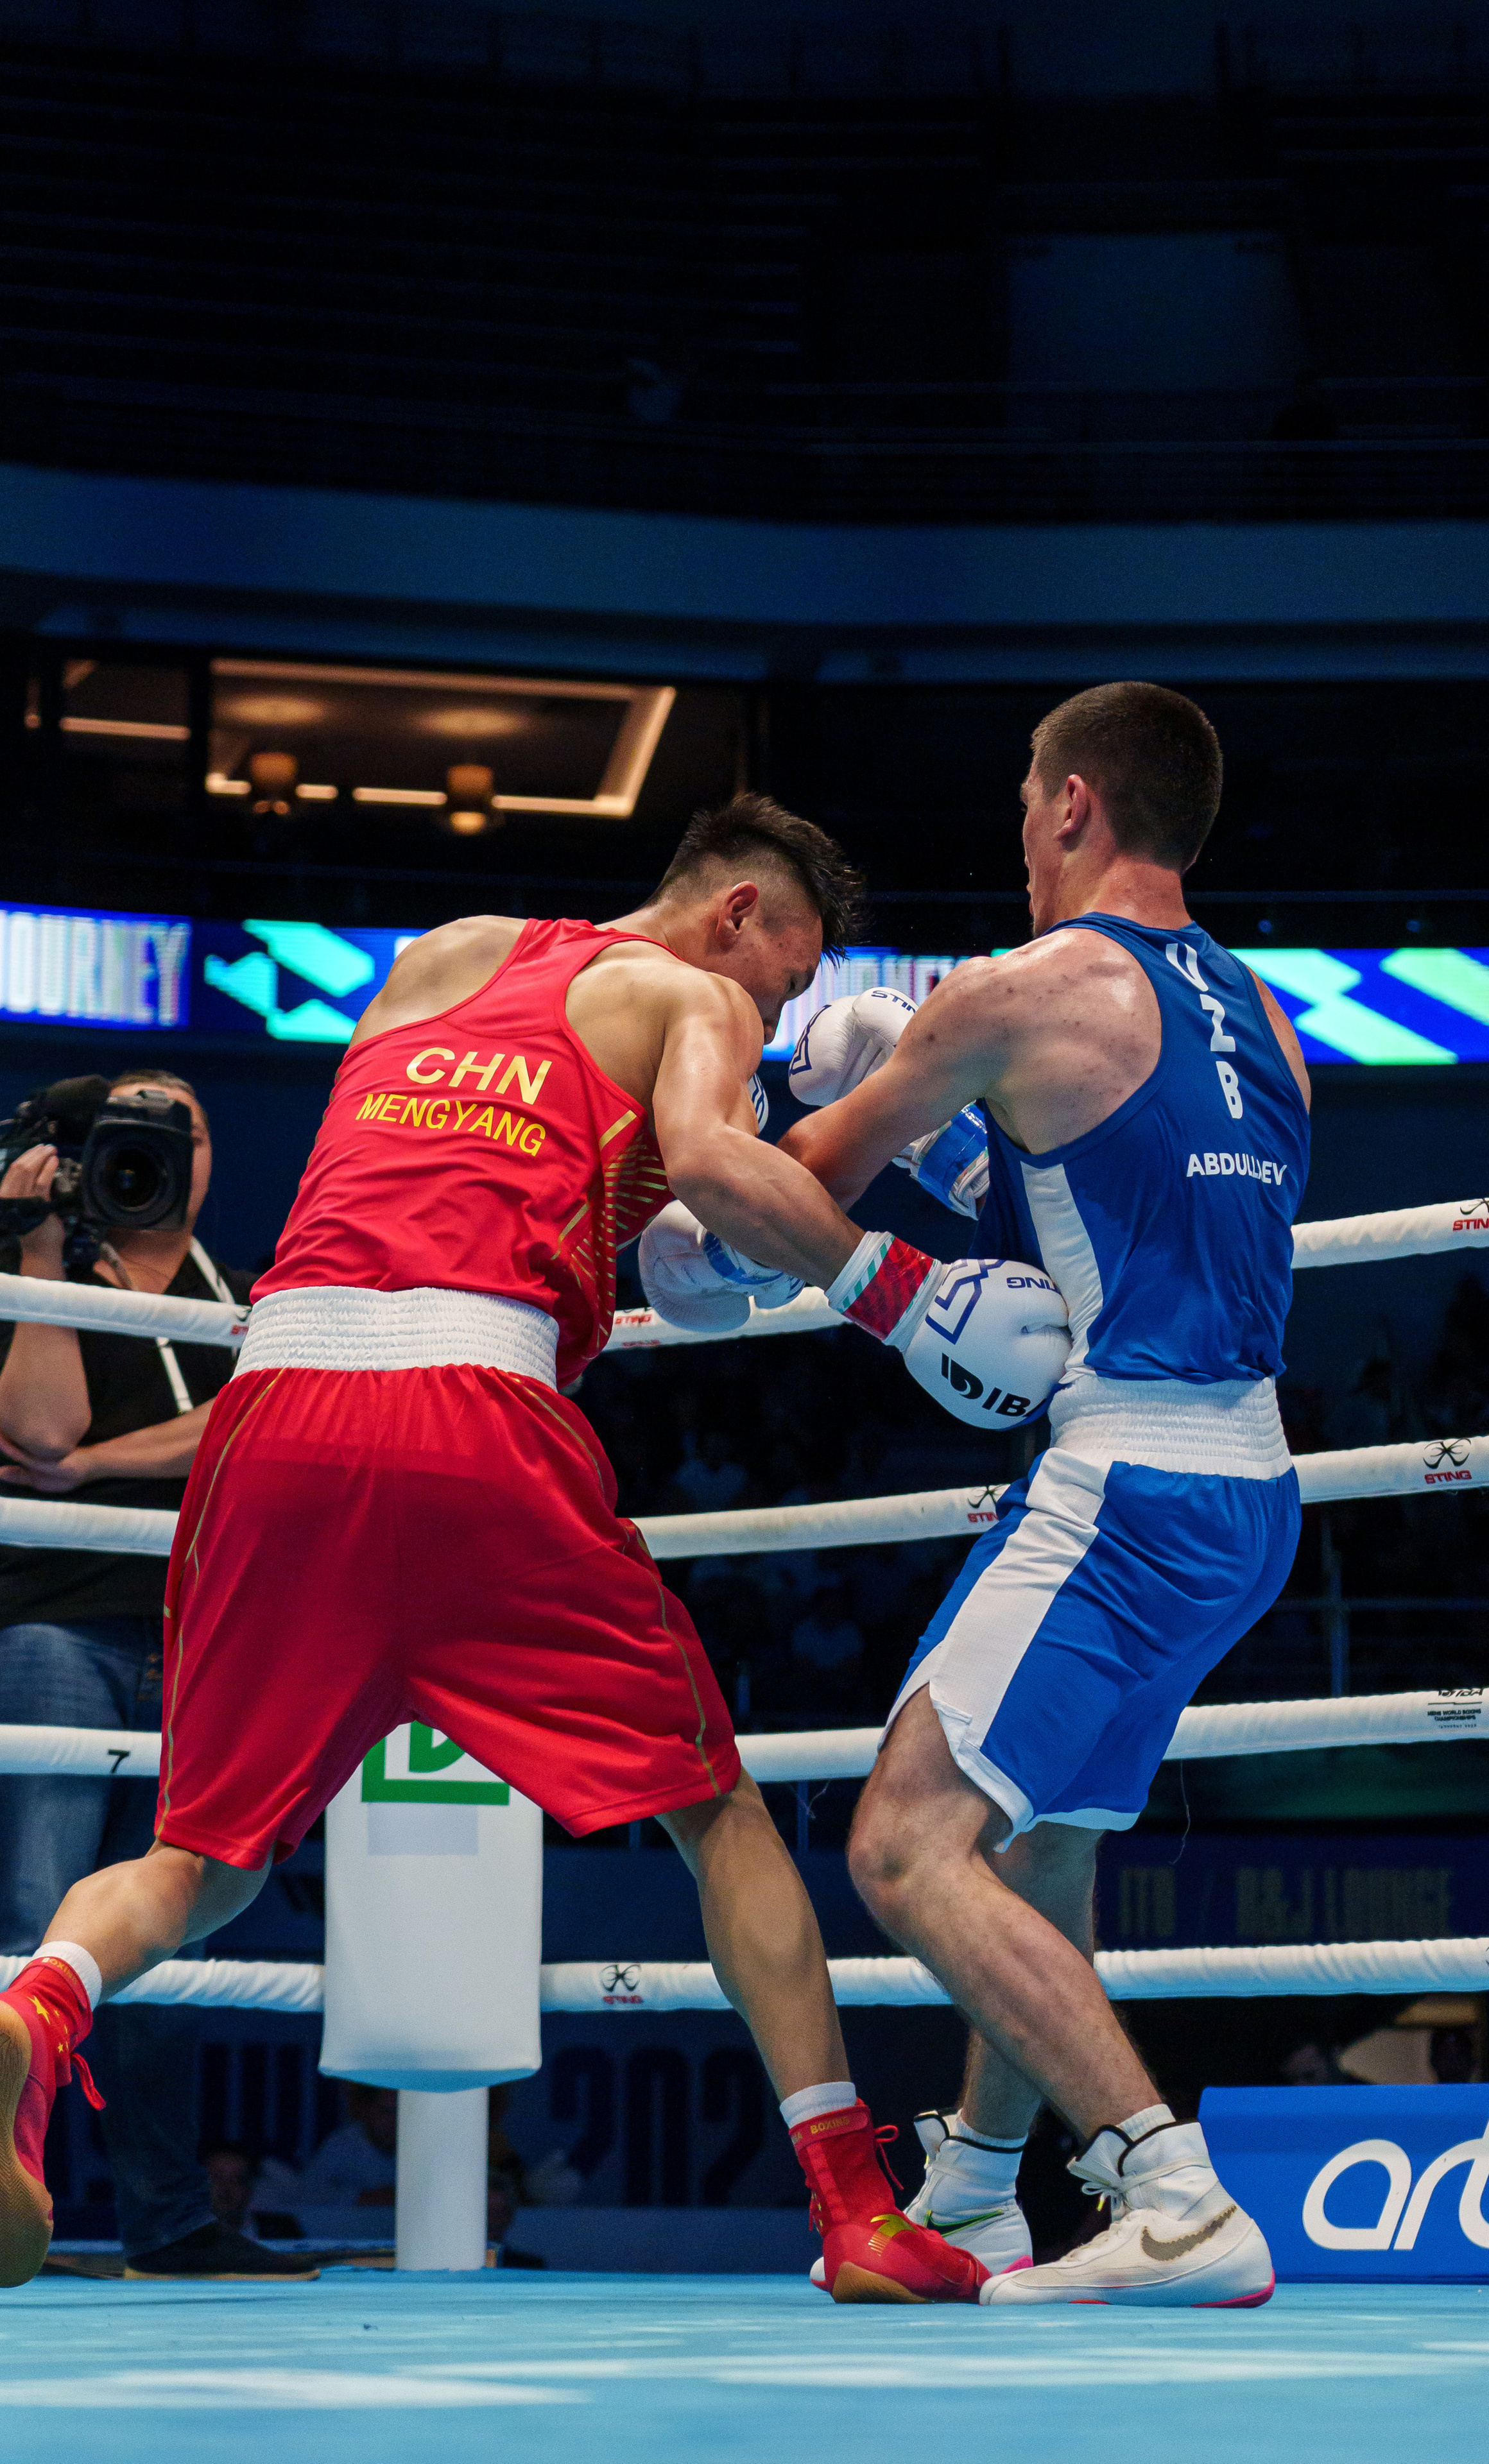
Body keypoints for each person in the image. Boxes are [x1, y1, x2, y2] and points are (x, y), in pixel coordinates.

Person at [0, 794, 1062, 2300]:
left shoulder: (438, 956)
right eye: (786, 975)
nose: (777, 1008)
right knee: (719, 1816)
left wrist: (675, 1218)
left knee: (196, 1857)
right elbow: (710, 1171)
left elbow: (456, 1171)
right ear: (735, 915)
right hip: (473, 1416)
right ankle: (854, 2211)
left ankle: (38, 2004)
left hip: (274, 1406)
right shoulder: (692, 997)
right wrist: (901, 1293)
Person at [779, 681, 1311, 2306]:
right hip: (1247, 1493)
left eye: (1026, 793)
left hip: (1127, 1486)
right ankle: (975, 2193)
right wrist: (961, 1153)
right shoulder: (1265, 1022)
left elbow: (797, 1188)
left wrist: (683, 1215)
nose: (1017, 825)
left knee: (902, 1844)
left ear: (1073, 802)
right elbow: (1114, 1223)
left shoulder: (1016, 991)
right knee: (1045, 1842)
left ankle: (1169, 2190)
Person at [0, 1066, 314, 2284]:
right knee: (29, 1917)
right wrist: (40, 1250)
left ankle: (166, 2223)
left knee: (171, 1937)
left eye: (184, 1128)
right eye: (133, 1126)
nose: (159, 1147)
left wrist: (98, 1468)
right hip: (50, 1622)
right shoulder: (40, 1265)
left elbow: (255, 1418)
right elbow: (40, 1430)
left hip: (203, 1629)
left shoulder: (246, 1293)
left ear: (211, 1157)